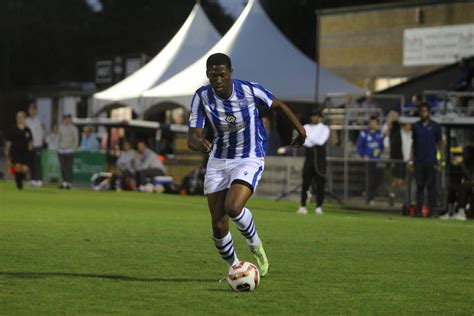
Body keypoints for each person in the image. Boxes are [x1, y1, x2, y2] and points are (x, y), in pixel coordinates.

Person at [187, 53, 306, 277]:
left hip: (249, 155)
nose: (218, 80)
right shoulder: (201, 97)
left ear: (231, 73)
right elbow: (192, 136)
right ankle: (235, 268)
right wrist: (198, 143)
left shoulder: (250, 90)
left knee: (233, 207)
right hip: (219, 159)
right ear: (207, 76)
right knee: (218, 226)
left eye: (222, 75)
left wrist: (300, 130)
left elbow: (278, 105)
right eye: (213, 76)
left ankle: (255, 245)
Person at [409, 103, 443, 217]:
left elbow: (440, 143)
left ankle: (431, 211)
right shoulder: (416, 126)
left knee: (431, 187)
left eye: (424, 111)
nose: (422, 113)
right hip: (419, 162)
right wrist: (411, 161)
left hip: (431, 161)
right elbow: (413, 144)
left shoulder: (435, 126)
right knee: (419, 187)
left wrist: (440, 160)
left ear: (428, 112)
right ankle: (419, 211)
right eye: (421, 111)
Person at [297, 108, 330, 215]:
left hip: (320, 159)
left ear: (319, 117)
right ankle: (303, 205)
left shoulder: (325, 128)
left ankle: (319, 206)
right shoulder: (306, 127)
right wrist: (310, 140)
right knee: (305, 182)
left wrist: (309, 138)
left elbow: (321, 141)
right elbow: (304, 141)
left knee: (320, 183)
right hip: (309, 158)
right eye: (312, 116)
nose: (313, 118)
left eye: (315, 116)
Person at [356, 115, 384, 205]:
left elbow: (381, 146)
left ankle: (369, 194)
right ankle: (370, 198)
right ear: (369, 123)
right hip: (368, 160)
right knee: (370, 179)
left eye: (375, 123)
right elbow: (359, 146)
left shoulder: (379, 134)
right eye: (371, 122)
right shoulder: (364, 133)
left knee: (378, 178)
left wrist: (379, 152)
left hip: (377, 160)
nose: (373, 124)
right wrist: (364, 155)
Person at [4, 111, 33, 190]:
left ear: (24, 118)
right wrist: (7, 153)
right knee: (17, 167)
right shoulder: (12, 129)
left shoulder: (28, 130)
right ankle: (19, 186)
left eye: (21, 117)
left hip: (25, 153)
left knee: (24, 169)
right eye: (18, 117)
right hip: (15, 152)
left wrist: (30, 153)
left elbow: (30, 143)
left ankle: (19, 179)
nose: (19, 118)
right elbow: (8, 142)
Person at [25, 103, 46, 187]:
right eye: (30, 109)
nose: (31, 111)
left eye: (33, 109)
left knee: (38, 163)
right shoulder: (27, 121)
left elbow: (43, 132)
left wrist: (41, 143)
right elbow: (26, 133)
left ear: (36, 111)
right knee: (31, 163)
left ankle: (39, 180)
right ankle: (33, 180)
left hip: (38, 145)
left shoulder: (39, 120)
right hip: (29, 146)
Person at [58, 114, 79, 189]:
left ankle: (69, 183)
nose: (67, 120)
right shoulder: (60, 127)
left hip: (69, 150)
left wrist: (74, 149)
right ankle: (64, 182)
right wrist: (58, 147)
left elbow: (76, 139)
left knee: (69, 168)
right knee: (63, 168)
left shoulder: (73, 128)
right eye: (66, 118)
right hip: (61, 150)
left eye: (68, 119)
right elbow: (58, 138)